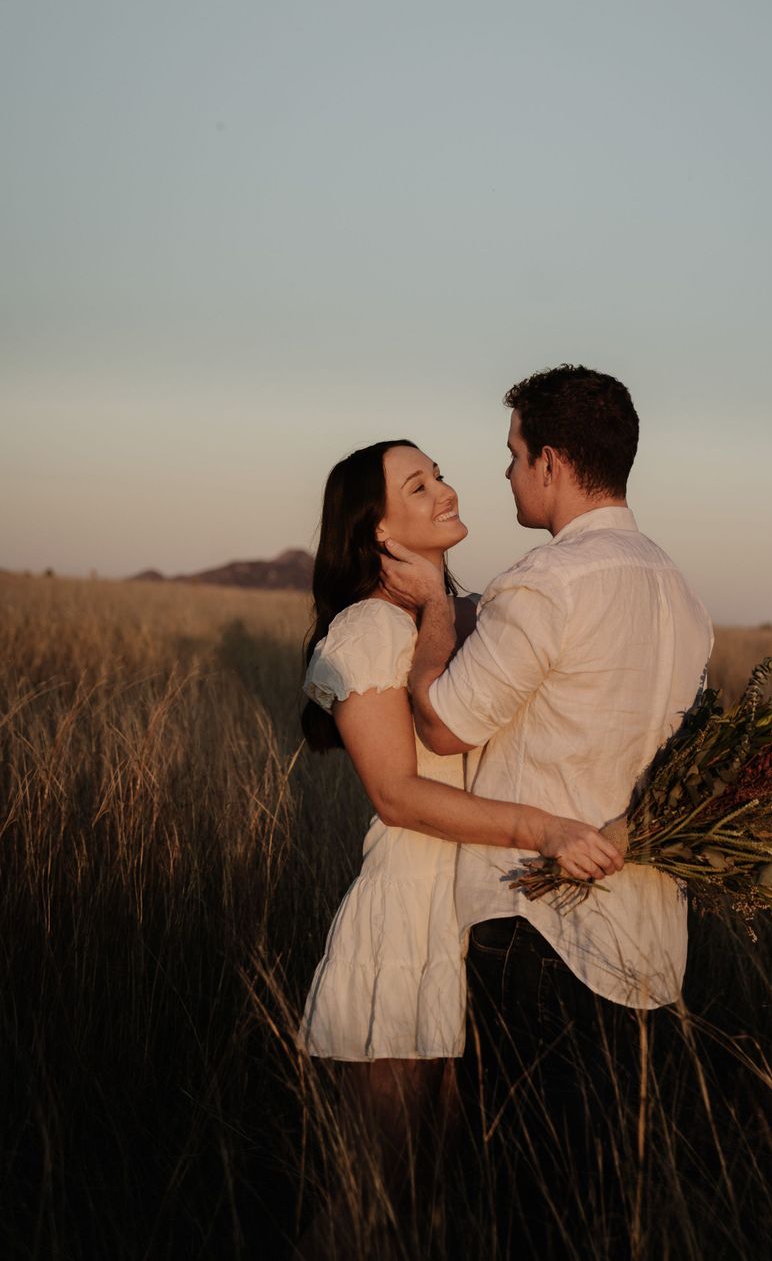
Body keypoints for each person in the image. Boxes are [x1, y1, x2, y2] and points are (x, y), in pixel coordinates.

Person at [378, 365, 714, 1240]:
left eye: (515, 453)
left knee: (524, 1196)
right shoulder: (682, 594)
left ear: (554, 463)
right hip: (646, 942)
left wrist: (434, 632)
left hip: (538, 928)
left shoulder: (549, 581)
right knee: (603, 1196)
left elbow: (446, 725)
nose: (506, 472)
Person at [296, 437, 622, 1213]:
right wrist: (544, 830)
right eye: (418, 486)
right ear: (377, 529)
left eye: (438, 474)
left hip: (469, 919)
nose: (445, 490)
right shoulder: (371, 630)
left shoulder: (458, 614)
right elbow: (398, 796)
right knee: (371, 1208)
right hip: (408, 917)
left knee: (433, 1204)